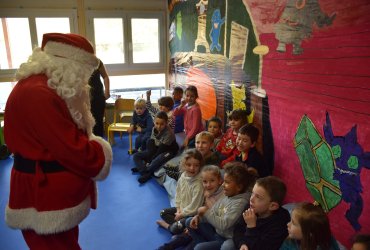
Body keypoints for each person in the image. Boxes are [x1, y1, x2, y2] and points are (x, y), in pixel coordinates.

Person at [3, 33, 112, 250]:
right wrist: (100, 152)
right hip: (44, 196)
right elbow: (71, 148)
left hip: (49, 192)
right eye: (83, 74)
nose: (84, 81)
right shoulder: (38, 94)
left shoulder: (42, 85)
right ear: (70, 65)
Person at [186, 162, 256, 250]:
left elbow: (224, 224)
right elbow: (214, 211)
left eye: (226, 182)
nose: (222, 185)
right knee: (189, 221)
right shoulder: (228, 194)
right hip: (217, 233)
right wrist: (199, 217)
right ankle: (207, 245)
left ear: (239, 187)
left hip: (228, 238)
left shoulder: (241, 202)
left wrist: (205, 212)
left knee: (200, 248)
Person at [158, 164, 224, 250]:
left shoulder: (222, 196)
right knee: (181, 237)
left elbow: (217, 221)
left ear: (220, 181)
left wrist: (197, 223)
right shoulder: (207, 192)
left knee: (190, 244)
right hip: (200, 223)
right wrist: (195, 221)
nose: (208, 185)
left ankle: (171, 228)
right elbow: (201, 212)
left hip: (212, 231)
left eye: (212, 181)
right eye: (205, 182)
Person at [231, 176, 291, 250]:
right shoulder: (252, 207)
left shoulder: (280, 222)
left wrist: (251, 226)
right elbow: (238, 229)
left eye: (258, 197)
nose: (251, 199)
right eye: (252, 193)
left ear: (272, 206)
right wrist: (242, 244)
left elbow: (261, 247)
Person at [157, 149, 205, 235]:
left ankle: (169, 227)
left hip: (191, 214)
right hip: (181, 210)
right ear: (183, 164)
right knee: (163, 212)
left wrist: (181, 214)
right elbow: (178, 193)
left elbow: (195, 207)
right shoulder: (183, 176)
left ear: (200, 166)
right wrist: (178, 209)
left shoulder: (198, 184)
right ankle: (184, 229)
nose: (192, 168)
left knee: (175, 228)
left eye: (196, 165)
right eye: (188, 165)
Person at [132, 111, 179, 184]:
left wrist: (150, 160)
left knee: (157, 160)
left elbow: (161, 150)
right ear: (154, 122)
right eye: (157, 123)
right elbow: (152, 143)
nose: (159, 126)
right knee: (136, 156)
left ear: (166, 123)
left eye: (162, 124)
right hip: (158, 147)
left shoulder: (169, 133)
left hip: (168, 150)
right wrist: (149, 155)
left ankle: (147, 173)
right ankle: (143, 170)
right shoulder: (154, 129)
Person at [89, 59, 110, 137]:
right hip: (83, 98)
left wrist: (107, 92)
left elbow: (105, 77)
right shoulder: (77, 61)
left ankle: (99, 146)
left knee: (98, 123)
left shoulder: (97, 61)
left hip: (98, 97)